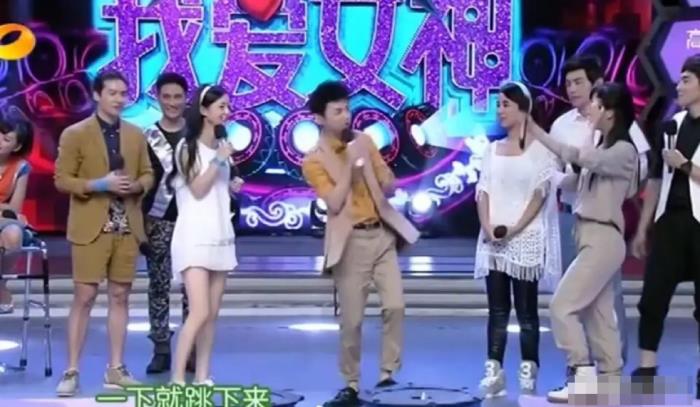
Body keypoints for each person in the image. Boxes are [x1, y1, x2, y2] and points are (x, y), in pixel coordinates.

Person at [301, 81, 419, 406]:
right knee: (352, 321)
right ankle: (351, 382)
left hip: (381, 235)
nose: (346, 116)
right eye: (337, 111)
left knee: (395, 306)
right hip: (350, 242)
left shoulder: (364, 141)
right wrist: (350, 168)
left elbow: (388, 182)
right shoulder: (313, 160)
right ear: (319, 118)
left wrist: (383, 175)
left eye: (347, 109)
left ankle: (388, 374)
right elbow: (334, 202)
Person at [528, 82, 639, 403]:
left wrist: (538, 130)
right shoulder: (604, 150)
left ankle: (581, 372)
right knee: (599, 315)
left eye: (596, 104)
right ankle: (610, 379)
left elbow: (581, 158)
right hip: (588, 234)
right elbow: (574, 175)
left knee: (562, 306)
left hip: (603, 237)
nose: (589, 109)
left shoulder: (623, 150)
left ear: (610, 112)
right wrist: (551, 174)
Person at [54, 70, 154, 396]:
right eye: (112, 92)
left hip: (126, 226)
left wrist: (136, 186)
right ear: (97, 95)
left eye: (123, 93)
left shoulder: (136, 134)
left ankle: (116, 369)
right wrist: (100, 184)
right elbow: (62, 179)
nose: (119, 99)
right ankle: (71, 370)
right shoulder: (75, 133)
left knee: (120, 296)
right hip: (91, 225)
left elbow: (148, 173)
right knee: (84, 297)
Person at [549, 55, 651, 366]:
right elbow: (553, 168)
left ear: (597, 84)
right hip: (570, 213)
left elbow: (640, 163)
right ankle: (583, 373)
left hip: (604, 218)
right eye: (568, 83)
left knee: (604, 298)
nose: (572, 89)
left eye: (579, 82)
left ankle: (606, 366)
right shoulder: (561, 125)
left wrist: (615, 179)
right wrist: (567, 178)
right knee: (579, 297)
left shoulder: (618, 126)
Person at [474, 81, 561, 398]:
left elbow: (540, 195)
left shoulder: (541, 151)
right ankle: (493, 371)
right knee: (497, 311)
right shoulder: (492, 150)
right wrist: (488, 226)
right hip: (494, 240)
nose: (500, 110)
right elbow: (483, 191)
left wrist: (514, 229)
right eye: (498, 104)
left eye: (506, 104)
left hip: (527, 237)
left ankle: (528, 372)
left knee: (526, 313)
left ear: (524, 109)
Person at [630, 54, 700, 393]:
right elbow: (656, 179)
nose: (679, 86)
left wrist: (686, 166)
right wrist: (644, 226)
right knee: (653, 297)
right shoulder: (671, 126)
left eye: (686, 80)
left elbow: (682, 167)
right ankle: (647, 368)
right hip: (670, 222)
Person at [166, 84, 241, 386]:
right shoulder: (188, 148)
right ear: (203, 110)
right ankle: (177, 378)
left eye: (227, 106)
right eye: (221, 106)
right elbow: (197, 188)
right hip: (194, 237)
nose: (226, 111)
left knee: (211, 314)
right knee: (198, 311)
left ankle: (202, 376)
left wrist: (232, 185)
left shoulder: (223, 148)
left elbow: (217, 188)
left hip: (220, 234)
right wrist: (219, 160)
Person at [142, 72, 196, 374]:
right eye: (167, 97)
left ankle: (191, 349)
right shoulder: (146, 137)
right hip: (158, 221)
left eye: (178, 97)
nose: (172, 103)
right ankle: (161, 348)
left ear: (186, 99)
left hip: (194, 221)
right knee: (159, 286)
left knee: (193, 289)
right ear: (158, 99)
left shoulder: (197, 134)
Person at [0, 118, 35, 314]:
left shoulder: (21, 167)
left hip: (5, 220)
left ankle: (1, 285)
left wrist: (7, 210)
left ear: (17, 146)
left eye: (6, 139)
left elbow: (14, 209)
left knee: (13, 234)